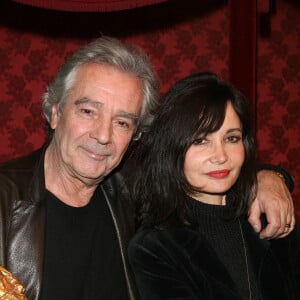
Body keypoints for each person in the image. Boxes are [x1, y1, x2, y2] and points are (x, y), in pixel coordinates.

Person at [0, 37, 295, 300]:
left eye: (122, 122)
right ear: (55, 112)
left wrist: (269, 177)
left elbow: (195, 164)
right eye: (88, 111)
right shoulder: (4, 202)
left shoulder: (134, 191)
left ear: (135, 136)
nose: (103, 135)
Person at [128, 72, 300, 299]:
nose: (220, 156)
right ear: (171, 149)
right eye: (200, 141)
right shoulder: (155, 248)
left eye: (231, 138)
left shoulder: (271, 216)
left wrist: (273, 176)